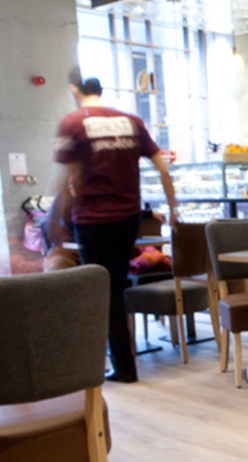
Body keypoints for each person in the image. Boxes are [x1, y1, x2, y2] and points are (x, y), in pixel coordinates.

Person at [51, 71, 179, 383]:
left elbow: (69, 178)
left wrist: (55, 219)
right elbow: (162, 168)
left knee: (103, 293)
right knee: (118, 286)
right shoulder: (131, 121)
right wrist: (173, 208)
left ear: (74, 90)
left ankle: (123, 366)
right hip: (128, 218)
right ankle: (124, 359)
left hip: (94, 219)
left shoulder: (72, 123)